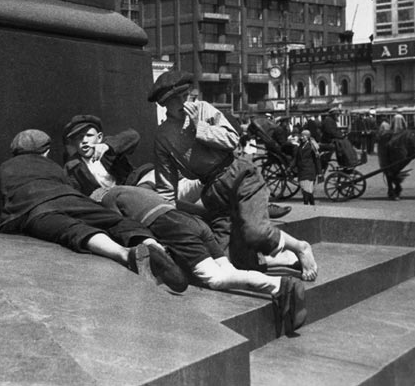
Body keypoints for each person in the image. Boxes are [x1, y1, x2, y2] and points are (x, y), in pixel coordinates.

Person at [61, 115, 307, 335]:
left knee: (215, 277)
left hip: (149, 195)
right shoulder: (74, 168)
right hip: (170, 212)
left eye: (89, 135)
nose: (84, 141)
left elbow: (132, 137)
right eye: (77, 138)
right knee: (222, 256)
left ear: (100, 136)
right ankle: (272, 252)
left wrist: (108, 146)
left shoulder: (110, 155)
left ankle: (277, 282)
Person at [148, 70, 318, 281]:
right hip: (213, 192)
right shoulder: (163, 136)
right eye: (178, 99)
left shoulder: (202, 110)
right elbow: (166, 186)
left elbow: (232, 139)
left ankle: (300, 247)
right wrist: (167, 220)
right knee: (224, 259)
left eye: (186, 95)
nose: (185, 101)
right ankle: (282, 258)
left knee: (256, 231)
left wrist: (199, 128)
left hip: (240, 175)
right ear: (165, 103)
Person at [0, 129, 188, 292]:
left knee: (73, 229)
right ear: (45, 152)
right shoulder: (53, 166)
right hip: (71, 198)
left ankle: (124, 254)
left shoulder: (5, 168)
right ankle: (152, 245)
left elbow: (2, 201)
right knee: (112, 220)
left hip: (37, 209)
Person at [292, 130, 321, 206]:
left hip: (309, 170)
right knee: (306, 190)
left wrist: (320, 172)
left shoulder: (312, 147)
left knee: (306, 190)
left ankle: (306, 206)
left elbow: (317, 160)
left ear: (307, 137)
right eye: (301, 136)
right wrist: (290, 167)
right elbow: (296, 158)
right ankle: (312, 205)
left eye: (304, 136)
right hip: (301, 171)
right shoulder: (300, 146)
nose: (302, 137)